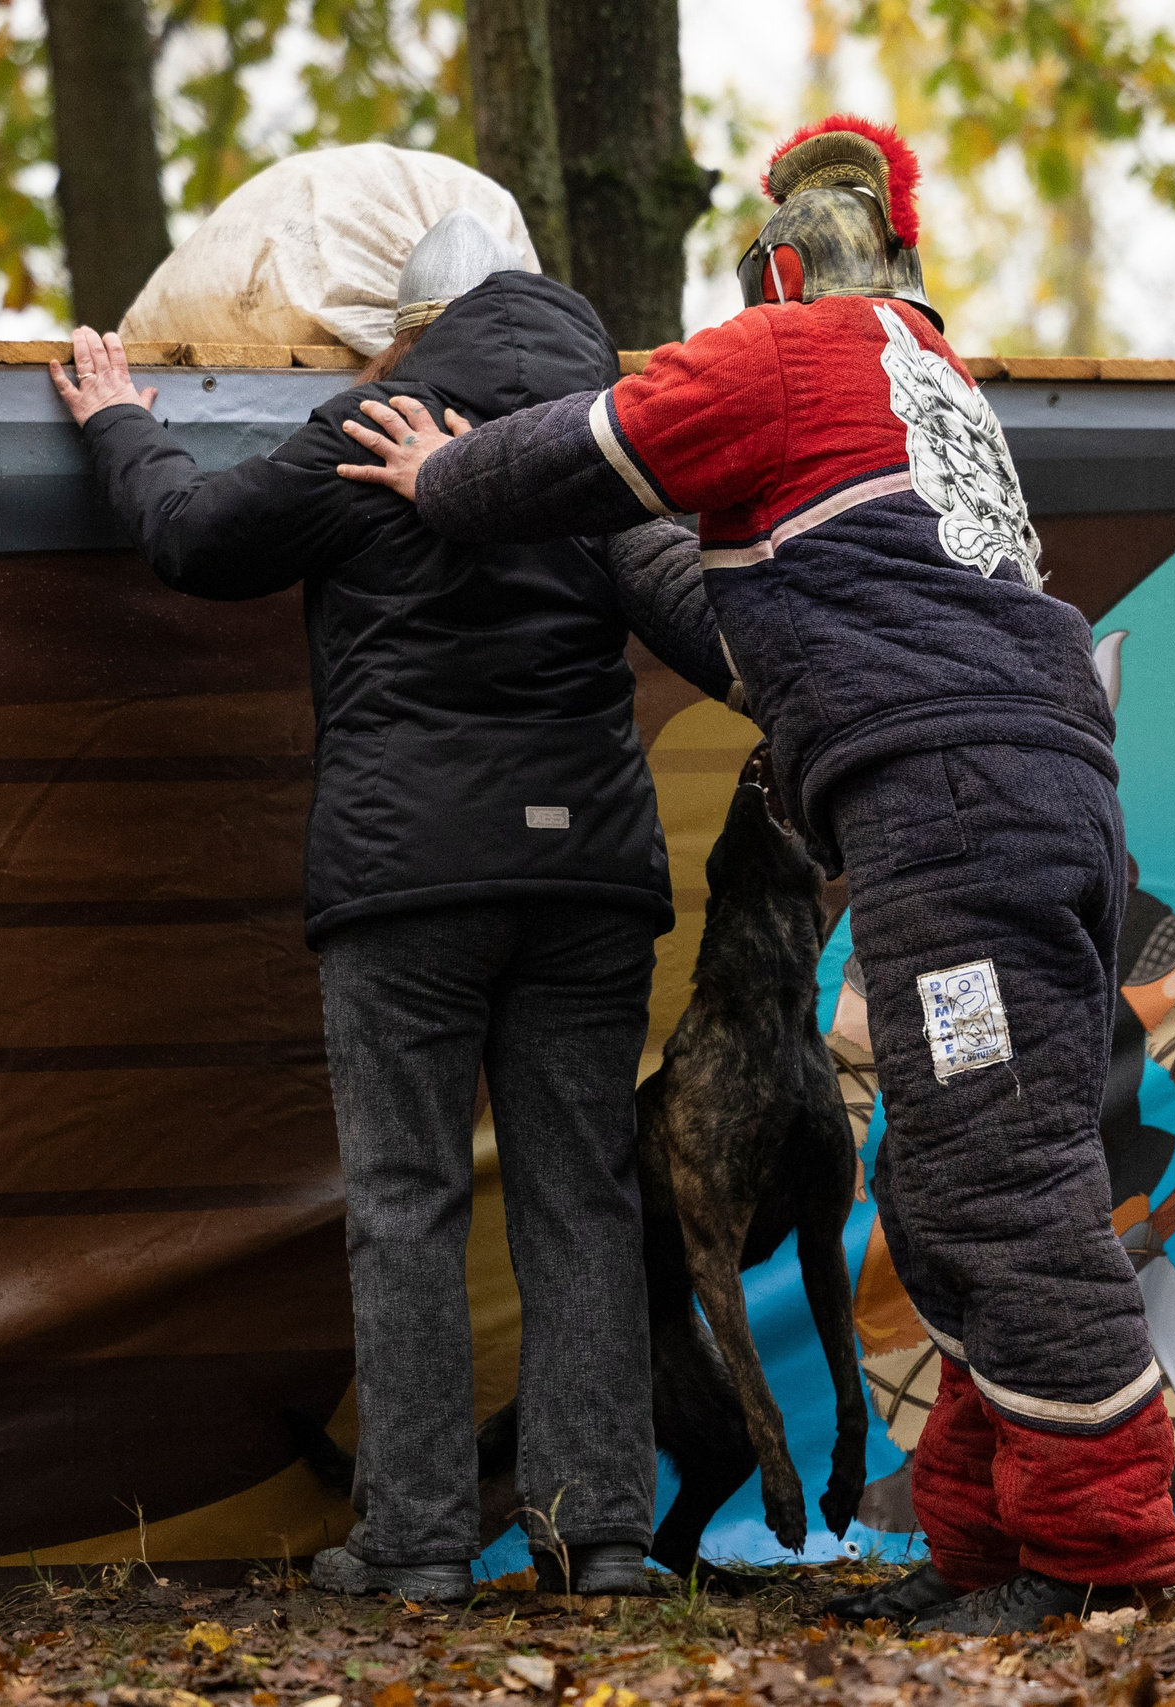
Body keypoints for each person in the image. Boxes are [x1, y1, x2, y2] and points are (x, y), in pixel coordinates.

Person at [333, 119, 1175, 1634]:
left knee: (994, 1184)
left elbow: (582, 441)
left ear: (777, 273)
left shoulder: (785, 355)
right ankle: (991, 1542)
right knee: (947, 1175)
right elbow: (752, 632)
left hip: (950, 818)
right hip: (1040, 801)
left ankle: (1095, 1555)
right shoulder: (934, 382)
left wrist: (448, 471)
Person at [48, 210, 732, 1602]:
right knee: (583, 1201)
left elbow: (195, 540)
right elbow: (706, 611)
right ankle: (599, 1532)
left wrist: (120, 424)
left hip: (409, 875)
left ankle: (416, 1542)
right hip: (587, 877)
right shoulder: (605, 445)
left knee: (408, 1200)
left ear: (410, 332)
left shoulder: (373, 426)